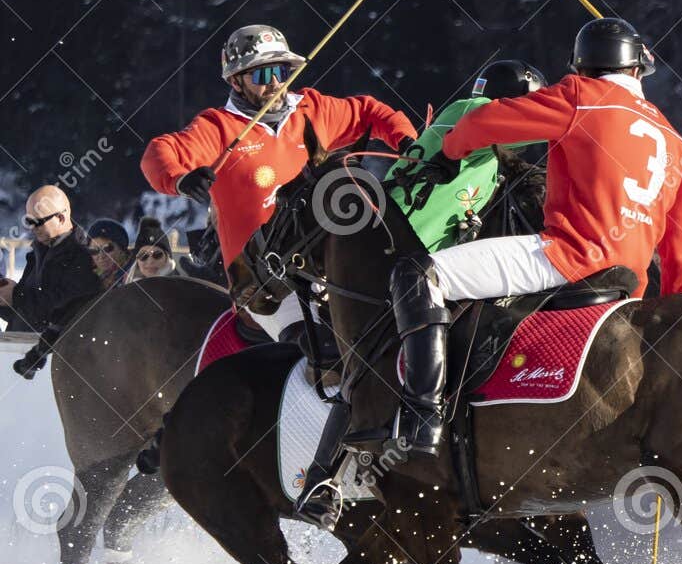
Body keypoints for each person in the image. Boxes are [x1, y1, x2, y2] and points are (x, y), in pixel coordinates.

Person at [385, 17, 682, 457]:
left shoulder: (580, 96)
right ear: (637, 70)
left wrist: (453, 150)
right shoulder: (676, 142)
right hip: (632, 287)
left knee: (420, 274)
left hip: (565, 258)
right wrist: (675, 311)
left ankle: (423, 416)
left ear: (583, 67)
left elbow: (481, 124)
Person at [141, 24, 415, 338]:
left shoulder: (313, 109)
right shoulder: (218, 127)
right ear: (236, 80)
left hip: (326, 269)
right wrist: (179, 179)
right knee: (322, 348)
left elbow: (371, 113)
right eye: (260, 75)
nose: (274, 83)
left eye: (281, 71)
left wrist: (406, 141)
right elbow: (158, 152)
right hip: (262, 283)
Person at [387, 59, 546, 253]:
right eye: (533, 105)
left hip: (411, 256)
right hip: (387, 244)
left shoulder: (488, 162)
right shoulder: (474, 111)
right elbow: (547, 125)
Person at [1, 185, 101, 378]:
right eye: (28, 221)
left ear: (61, 218)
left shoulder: (85, 257)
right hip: (20, 360)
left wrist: (16, 296)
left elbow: (61, 312)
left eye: (36, 222)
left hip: (56, 367)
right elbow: (24, 313)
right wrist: (5, 301)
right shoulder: (38, 252)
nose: (31, 228)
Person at [86, 218, 130, 289]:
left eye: (107, 248)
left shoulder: (133, 274)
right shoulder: (89, 279)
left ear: (121, 249)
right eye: (94, 250)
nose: (101, 256)